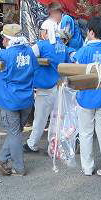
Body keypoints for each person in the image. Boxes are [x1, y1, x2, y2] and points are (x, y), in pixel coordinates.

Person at [0, 24, 37, 176]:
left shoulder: (5, 54)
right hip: (27, 100)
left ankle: (19, 167)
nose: (2, 41)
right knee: (16, 132)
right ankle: (1, 159)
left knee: (14, 133)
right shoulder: (30, 52)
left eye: (3, 38)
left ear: (8, 39)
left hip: (9, 100)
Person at [71, 16, 101, 177]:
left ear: (91, 32)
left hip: (85, 97)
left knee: (85, 133)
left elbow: (75, 74)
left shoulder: (83, 51)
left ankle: (87, 167)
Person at [24, 19, 69, 153]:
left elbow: (27, 56)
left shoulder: (41, 45)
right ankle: (55, 146)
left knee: (40, 118)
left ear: (45, 32)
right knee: (57, 118)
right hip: (60, 86)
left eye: (42, 31)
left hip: (45, 87)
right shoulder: (62, 45)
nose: (41, 34)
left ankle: (32, 144)